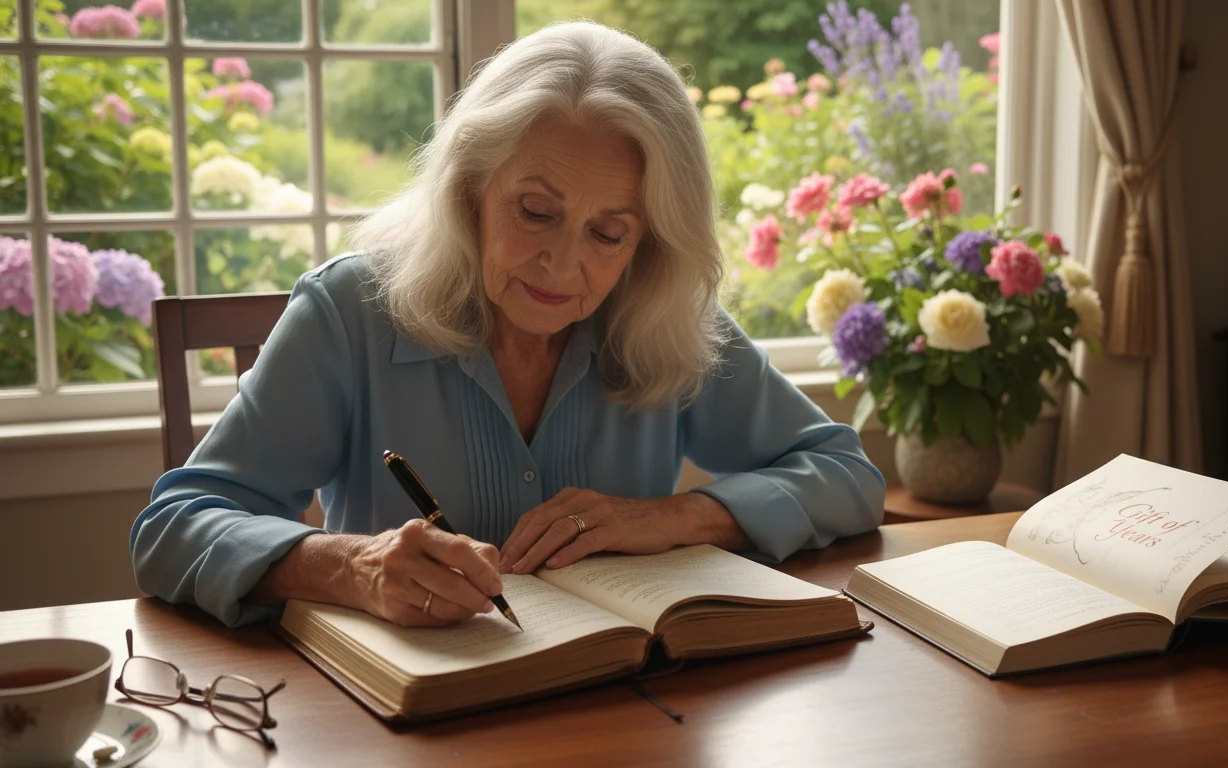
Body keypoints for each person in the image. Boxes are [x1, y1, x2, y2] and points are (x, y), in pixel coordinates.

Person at [130, 21, 885, 630]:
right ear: (471, 189)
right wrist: (352, 566)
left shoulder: (659, 313)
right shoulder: (350, 313)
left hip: (625, 721)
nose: (562, 266)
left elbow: (849, 478)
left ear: (647, 241)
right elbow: (173, 529)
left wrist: (677, 517)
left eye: (609, 233)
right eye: (536, 212)